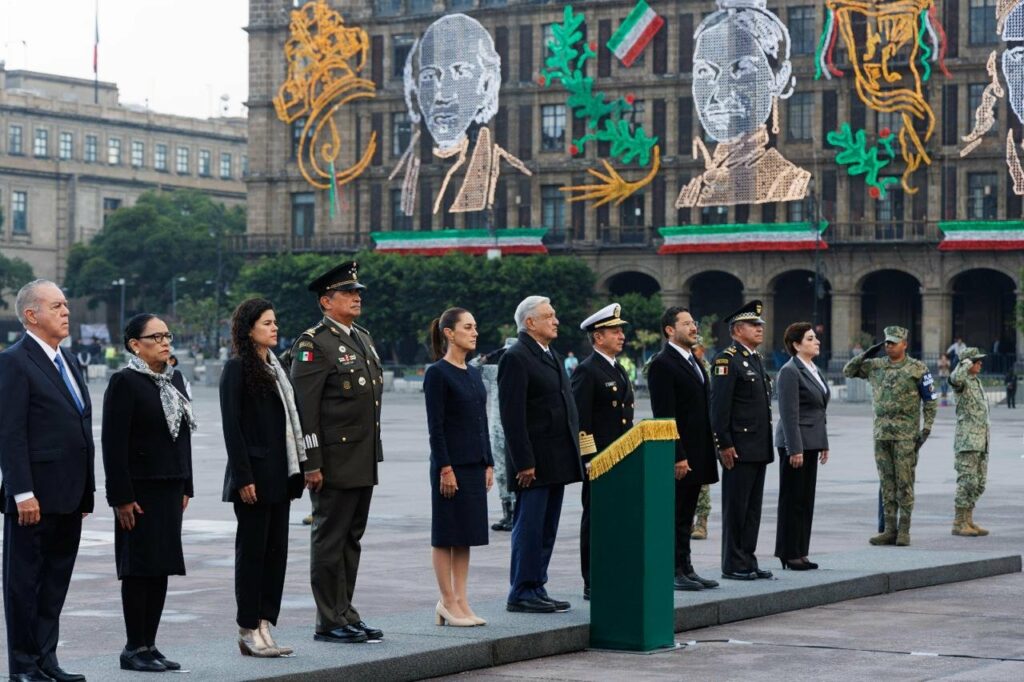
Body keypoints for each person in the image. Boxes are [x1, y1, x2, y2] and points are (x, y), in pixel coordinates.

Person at [0, 280, 94, 682]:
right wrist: (22, 491)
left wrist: (87, 490)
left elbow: (80, 426)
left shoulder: (69, 360)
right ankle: (22, 664)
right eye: (56, 306)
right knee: (24, 582)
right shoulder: (14, 361)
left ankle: (46, 659)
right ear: (31, 315)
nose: (66, 312)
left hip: (69, 495)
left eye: (66, 305)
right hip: (33, 496)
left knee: (55, 581)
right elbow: (10, 432)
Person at [290, 261, 385, 644]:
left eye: (357, 292)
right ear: (326, 301)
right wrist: (311, 464)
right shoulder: (314, 343)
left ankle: (346, 611)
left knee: (351, 538)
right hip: (331, 461)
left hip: (361, 458)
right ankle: (328, 620)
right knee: (329, 539)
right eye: (349, 293)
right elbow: (305, 410)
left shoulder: (360, 336)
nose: (357, 297)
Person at [102, 313, 195, 673]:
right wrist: (120, 497)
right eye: (155, 337)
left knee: (161, 567)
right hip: (139, 491)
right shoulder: (124, 382)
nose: (164, 342)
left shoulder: (174, 380)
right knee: (139, 568)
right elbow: (113, 444)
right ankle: (132, 647)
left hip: (170, 487)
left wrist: (187, 483)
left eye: (167, 335)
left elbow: (182, 435)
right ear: (134, 345)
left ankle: (150, 644)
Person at [220, 299, 306, 657]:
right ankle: (247, 626)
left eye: (275, 322)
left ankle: (266, 623)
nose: (275, 328)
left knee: (276, 554)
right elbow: (232, 427)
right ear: (249, 328)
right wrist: (243, 476)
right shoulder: (237, 368)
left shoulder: (277, 369)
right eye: (267, 323)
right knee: (252, 554)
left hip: (280, 476)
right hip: (253, 477)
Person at [677, 0, 809, 208]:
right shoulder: (693, 190)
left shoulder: (787, 181)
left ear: (779, 78)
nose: (720, 94)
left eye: (742, 69)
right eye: (704, 72)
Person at [498, 296, 583, 613]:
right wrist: (524, 462)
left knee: (546, 528)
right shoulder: (517, 357)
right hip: (534, 463)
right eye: (549, 315)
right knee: (530, 527)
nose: (556, 320)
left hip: (556, 458)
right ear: (529, 322)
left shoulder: (549, 354)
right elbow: (512, 416)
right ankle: (521, 590)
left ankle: (537, 585)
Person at [423, 308, 494, 627]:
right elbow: (435, 428)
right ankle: (446, 600)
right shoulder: (437, 373)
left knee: (465, 535)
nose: (474, 332)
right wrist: (445, 468)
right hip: (450, 466)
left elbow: (483, 420)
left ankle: (462, 599)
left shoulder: (473, 372)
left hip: (474, 464)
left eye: (475, 326)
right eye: (468, 327)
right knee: (445, 534)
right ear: (449, 333)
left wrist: (488, 461)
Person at [648, 307, 721, 591]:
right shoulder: (663, 364)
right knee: (676, 513)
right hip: (680, 454)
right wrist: (676, 455)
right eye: (687, 323)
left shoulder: (694, 361)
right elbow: (664, 416)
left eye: (694, 322)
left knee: (687, 513)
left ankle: (686, 566)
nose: (694, 327)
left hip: (697, 451)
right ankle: (672, 569)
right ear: (669, 330)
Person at [844, 326, 937, 546]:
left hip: (906, 436)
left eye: (893, 342)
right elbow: (849, 371)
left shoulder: (918, 369)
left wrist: (926, 429)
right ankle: (889, 529)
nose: (889, 346)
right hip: (882, 434)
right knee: (887, 483)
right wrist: (867, 353)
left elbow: (930, 401)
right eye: (886, 342)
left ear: (905, 344)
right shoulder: (875, 366)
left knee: (904, 482)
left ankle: (904, 530)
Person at [571, 303, 634, 601]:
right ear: (598, 337)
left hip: (620, 458)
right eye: (615, 331)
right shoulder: (587, 370)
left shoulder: (617, 368)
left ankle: (613, 573)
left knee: (616, 520)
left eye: (621, 330)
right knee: (596, 521)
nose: (621, 336)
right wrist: (590, 460)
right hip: (600, 461)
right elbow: (581, 421)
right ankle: (592, 579)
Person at [710, 300, 774, 581]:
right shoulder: (727, 360)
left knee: (752, 509)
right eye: (753, 325)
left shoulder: (756, 359)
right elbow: (719, 407)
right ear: (737, 330)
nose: (760, 329)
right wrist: (723, 443)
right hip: (737, 447)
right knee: (736, 508)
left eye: (760, 324)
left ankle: (748, 558)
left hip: (758, 446)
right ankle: (733, 562)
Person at [774, 323, 830, 571]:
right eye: (810, 338)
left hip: (811, 442)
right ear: (796, 345)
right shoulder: (790, 371)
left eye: (815, 338)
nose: (816, 341)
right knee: (792, 499)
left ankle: (801, 551)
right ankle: (788, 553)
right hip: (795, 443)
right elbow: (788, 413)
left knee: (805, 499)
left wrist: (823, 443)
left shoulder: (813, 369)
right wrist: (793, 448)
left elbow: (819, 410)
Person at [473, 338, 516, 531]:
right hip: (496, 431)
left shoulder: (522, 372)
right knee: (500, 474)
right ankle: (507, 513)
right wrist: (487, 357)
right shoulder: (495, 371)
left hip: (514, 430)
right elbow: (470, 369)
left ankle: (517, 512)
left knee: (515, 472)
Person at [949, 348, 992, 537]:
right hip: (967, 440)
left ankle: (968, 519)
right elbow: (955, 379)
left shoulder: (976, 381)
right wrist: (965, 363)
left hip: (981, 441)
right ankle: (958, 522)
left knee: (979, 483)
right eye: (976, 361)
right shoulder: (963, 381)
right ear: (968, 363)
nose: (980, 364)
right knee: (967, 482)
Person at [692, 339, 713, 541]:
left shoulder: (708, 369)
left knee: (703, 484)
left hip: (704, 430)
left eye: (695, 349)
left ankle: (702, 522)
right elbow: (648, 370)